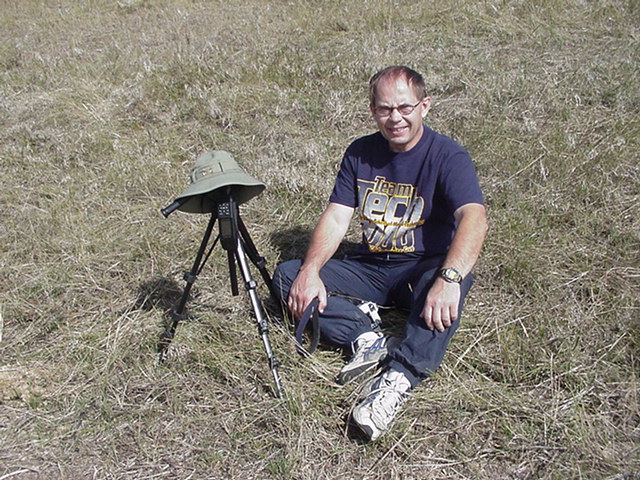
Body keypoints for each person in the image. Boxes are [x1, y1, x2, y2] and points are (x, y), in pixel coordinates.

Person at [273, 66, 488, 441]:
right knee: (288, 276)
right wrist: (310, 270)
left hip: (422, 267)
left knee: (450, 287)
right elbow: (338, 216)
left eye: (405, 107)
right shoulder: (360, 152)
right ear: (373, 110)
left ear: (425, 106)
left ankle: (397, 378)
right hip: (371, 265)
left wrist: (449, 279)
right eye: (385, 109)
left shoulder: (448, 155)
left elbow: (474, 216)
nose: (396, 118)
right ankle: (365, 336)